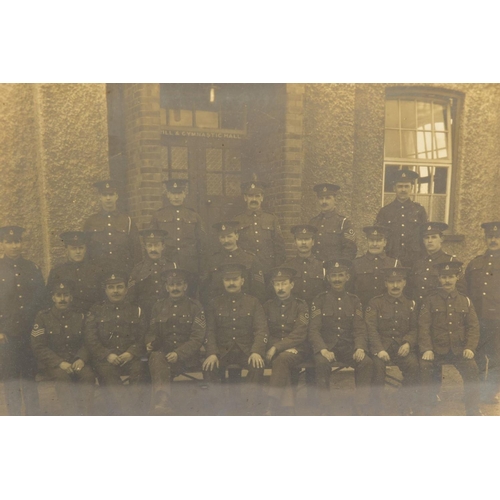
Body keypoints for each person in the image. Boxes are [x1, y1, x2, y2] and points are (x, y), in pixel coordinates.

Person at [202, 263, 269, 414]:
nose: (231, 283)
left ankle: (250, 409)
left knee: (257, 365)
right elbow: (209, 330)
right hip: (222, 351)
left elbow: (261, 329)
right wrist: (212, 352)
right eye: (227, 280)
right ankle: (218, 410)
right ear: (223, 281)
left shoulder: (253, 302)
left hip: (246, 350)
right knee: (209, 366)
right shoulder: (214, 303)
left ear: (242, 281)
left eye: (235, 279)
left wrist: (256, 351)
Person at [308, 259, 372, 415]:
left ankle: (361, 404)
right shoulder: (320, 300)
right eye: (333, 276)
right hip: (327, 346)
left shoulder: (354, 300)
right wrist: (322, 349)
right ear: (328, 278)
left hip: (348, 346)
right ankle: (325, 406)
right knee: (322, 363)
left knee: (366, 362)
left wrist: (359, 347)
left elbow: (359, 328)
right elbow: (314, 330)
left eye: (340, 275)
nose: (337, 279)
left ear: (347, 277)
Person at [418, 261, 482, 416]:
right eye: (443, 277)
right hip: (436, 349)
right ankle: (425, 410)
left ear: (457, 278)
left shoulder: (465, 301)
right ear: (439, 279)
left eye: (451, 277)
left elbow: (473, 327)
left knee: (472, 368)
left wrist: (469, 348)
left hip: (459, 350)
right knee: (424, 368)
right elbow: (423, 327)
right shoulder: (430, 300)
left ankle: (473, 410)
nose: (447, 280)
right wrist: (427, 349)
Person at [84, 270, 148, 415]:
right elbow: (90, 338)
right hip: (106, 359)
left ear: (126, 289)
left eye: (119, 287)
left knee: (140, 370)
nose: (115, 291)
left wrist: (131, 353)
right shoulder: (96, 310)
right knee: (107, 374)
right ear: (105, 290)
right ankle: (129, 413)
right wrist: (107, 354)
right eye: (111, 287)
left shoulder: (136, 310)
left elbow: (143, 335)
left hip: (131, 357)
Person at [0, 226, 46, 415]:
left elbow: (41, 299)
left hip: (29, 332)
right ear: (2, 244)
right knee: (10, 378)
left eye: (17, 241)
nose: (14, 246)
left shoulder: (31, 268)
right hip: (7, 334)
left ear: (22, 244)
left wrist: (37, 328)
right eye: (9, 242)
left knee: (29, 376)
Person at [31, 280, 95, 415]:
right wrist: (60, 363)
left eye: (65, 295)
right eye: (58, 295)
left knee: (88, 376)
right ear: (53, 297)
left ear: (71, 297)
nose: (62, 299)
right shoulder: (43, 317)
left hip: (77, 360)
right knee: (63, 379)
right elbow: (39, 346)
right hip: (56, 364)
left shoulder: (81, 316)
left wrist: (82, 358)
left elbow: (88, 341)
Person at [147, 269, 205, 415]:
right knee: (156, 356)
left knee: (158, 361)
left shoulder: (195, 306)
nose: (175, 288)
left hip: (187, 358)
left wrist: (179, 353)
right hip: (164, 357)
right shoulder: (158, 307)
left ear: (185, 286)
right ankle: (162, 402)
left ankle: (162, 403)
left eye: (179, 284)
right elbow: (152, 332)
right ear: (166, 287)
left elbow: (197, 337)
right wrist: (149, 342)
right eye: (172, 285)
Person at [365, 268, 420, 415]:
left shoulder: (411, 304)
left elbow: (415, 329)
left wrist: (408, 343)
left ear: (404, 283)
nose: (395, 286)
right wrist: (379, 349)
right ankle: (377, 405)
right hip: (382, 348)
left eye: (398, 282)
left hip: (401, 347)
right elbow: (371, 329)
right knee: (377, 365)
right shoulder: (376, 303)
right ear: (386, 284)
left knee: (413, 364)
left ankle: (404, 401)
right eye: (391, 282)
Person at [263, 267, 309, 415]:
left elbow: (300, 333)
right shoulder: (267, 306)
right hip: (276, 351)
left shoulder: (301, 305)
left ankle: (271, 405)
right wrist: (276, 347)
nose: (280, 288)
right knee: (282, 361)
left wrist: (277, 347)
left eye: (283, 284)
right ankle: (288, 409)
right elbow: (264, 331)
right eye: (277, 284)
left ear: (292, 285)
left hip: (297, 349)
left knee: (282, 359)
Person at [150, 179, 207, 295]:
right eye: (173, 193)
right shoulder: (158, 215)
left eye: (179, 193)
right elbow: (152, 243)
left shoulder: (194, 215)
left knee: (190, 294)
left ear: (184, 194)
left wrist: (202, 268)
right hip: (167, 263)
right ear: (168, 194)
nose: (176, 197)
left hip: (189, 265)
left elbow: (202, 244)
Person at [465, 222, 500, 404]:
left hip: (497, 319)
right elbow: (467, 291)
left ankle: (491, 393)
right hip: (477, 318)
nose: (493, 240)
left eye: (497, 236)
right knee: (475, 356)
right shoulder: (475, 263)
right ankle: (474, 393)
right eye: (490, 237)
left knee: (496, 356)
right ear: (485, 238)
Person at [83, 180, 142, 273]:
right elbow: (86, 249)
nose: (108, 198)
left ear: (116, 196)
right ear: (100, 197)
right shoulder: (91, 221)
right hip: (98, 272)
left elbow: (136, 250)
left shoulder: (127, 220)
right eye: (104, 195)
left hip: (122, 271)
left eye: (111, 194)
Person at [201, 221, 266, 304]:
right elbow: (205, 288)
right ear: (219, 239)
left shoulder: (250, 258)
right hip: (219, 307)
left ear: (237, 236)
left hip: (245, 307)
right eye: (222, 237)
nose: (226, 240)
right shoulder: (213, 260)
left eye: (229, 236)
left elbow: (259, 289)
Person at [375, 170, 427, 267]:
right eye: (400, 186)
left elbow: (425, 235)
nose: (403, 190)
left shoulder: (419, 210)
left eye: (406, 186)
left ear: (411, 188)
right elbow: (379, 236)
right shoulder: (385, 211)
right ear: (394, 188)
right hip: (391, 258)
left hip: (415, 260)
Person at [233, 181, 286, 276]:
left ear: (262, 198)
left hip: (268, 268)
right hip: (247, 269)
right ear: (245, 198)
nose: (254, 199)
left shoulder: (271, 219)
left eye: (257, 196)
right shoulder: (237, 220)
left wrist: (277, 269)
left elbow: (279, 247)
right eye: (250, 196)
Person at [407, 222, 465, 305]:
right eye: (427, 238)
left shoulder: (451, 261)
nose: (430, 241)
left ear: (441, 239)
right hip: (419, 309)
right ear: (423, 240)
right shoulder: (418, 262)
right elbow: (411, 288)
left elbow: (460, 290)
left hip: (440, 309)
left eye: (434, 237)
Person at [127, 229, 176, 323]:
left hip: (168, 313)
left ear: (163, 246)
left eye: (157, 245)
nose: (153, 249)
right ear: (145, 247)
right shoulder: (138, 269)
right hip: (145, 315)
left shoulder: (172, 266)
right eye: (150, 245)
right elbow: (131, 296)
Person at [47, 231, 102, 313]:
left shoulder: (96, 271)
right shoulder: (58, 271)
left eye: (81, 248)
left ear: (85, 249)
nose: (78, 252)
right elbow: (49, 299)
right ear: (66, 249)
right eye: (73, 248)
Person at [350, 226, 399, 309]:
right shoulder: (356, 263)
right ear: (367, 242)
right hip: (363, 309)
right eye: (371, 240)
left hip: (387, 311)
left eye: (379, 240)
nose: (375, 244)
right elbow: (350, 291)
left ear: (385, 242)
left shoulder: (394, 264)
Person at [309, 183, 357, 262]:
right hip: (315, 270)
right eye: (321, 198)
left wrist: (338, 267)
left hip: (334, 270)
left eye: (328, 198)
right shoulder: (313, 222)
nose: (324, 201)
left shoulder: (343, 223)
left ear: (335, 199)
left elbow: (350, 250)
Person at [283, 224, 326, 305]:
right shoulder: (287, 266)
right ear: (295, 242)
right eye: (300, 239)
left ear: (313, 242)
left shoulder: (322, 266)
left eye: (307, 239)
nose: (303, 243)